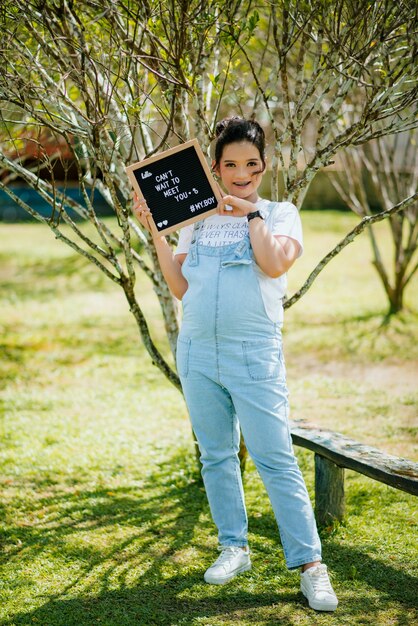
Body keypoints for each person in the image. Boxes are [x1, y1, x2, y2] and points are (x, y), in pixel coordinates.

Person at [132, 116, 338, 612]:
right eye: (230, 164)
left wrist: (249, 214)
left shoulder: (280, 213)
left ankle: (312, 566)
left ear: (263, 165)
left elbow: (273, 264)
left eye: (251, 163)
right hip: (198, 352)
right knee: (217, 456)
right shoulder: (197, 220)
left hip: (254, 354)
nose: (241, 172)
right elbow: (181, 287)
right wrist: (155, 232)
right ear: (215, 168)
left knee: (275, 458)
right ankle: (234, 547)